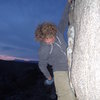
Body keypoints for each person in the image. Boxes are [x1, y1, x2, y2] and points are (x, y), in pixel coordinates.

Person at [34, 22, 76, 100]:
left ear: (54, 33)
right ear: (42, 38)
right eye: (48, 40)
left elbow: (64, 18)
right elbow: (42, 65)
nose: (52, 41)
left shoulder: (58, 33)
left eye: (52, 37)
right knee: (66, 96)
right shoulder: (43, 50)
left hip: (72, 64)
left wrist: (70, 9)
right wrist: (49, 78)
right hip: (59, 70)